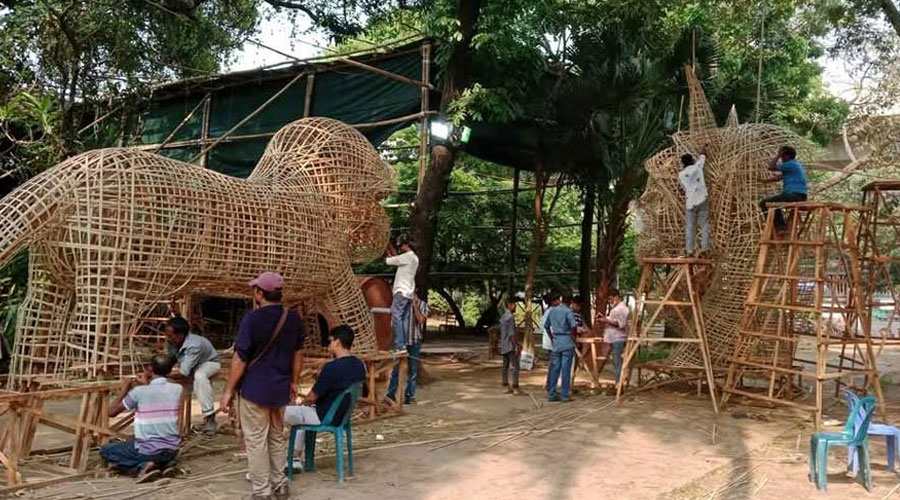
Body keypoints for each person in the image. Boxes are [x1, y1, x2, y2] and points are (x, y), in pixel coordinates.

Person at [218, 271, 305, 500]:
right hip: (281, 389)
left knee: (256, 441)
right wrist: (295, 381)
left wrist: (227, 390)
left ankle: (261, 492)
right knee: (277, 437)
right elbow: (298, 353)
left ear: (260, 293)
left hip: (255, 390)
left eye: (255, 289)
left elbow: (240, 358)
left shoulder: (252, 319)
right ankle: (280, 485)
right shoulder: (293, 317)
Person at [283, 325, 366, 459]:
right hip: (343, 415)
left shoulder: (331, 368)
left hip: (324, 415)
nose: (328, 345)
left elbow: (311, 398)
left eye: (330, 341)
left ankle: (284, 456)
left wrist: (301, 404)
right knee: (302, 414)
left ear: (337, 342)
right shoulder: (359, 365)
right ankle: (295, 456)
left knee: (281, 412)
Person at [102, 355, 183, 483]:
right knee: (157, 452)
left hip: (148, 450)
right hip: (172, 449)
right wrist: (146, 384)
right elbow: (156, 394)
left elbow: (111, 412)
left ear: (150, 369)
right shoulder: (177, 389)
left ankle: (143, 466)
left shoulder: (139, 392)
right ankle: (165, 465)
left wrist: (125, 388)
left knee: (106, 450)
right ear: (170, 370)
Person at [164, 316, 220, 434]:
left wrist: (162, 373)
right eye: (167, 334)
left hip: (209, 363)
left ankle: (210, 417)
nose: (168, 338)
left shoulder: (194, 344)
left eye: (171, 336)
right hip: (190, 367)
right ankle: (166, 422)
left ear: (181, 335)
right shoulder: (172, 341)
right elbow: (170, 359)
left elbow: (184, 372)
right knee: (166, 385)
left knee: (200, 376)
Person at [386, 293, 429, 404]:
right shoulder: (400, 304)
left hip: (414, 341)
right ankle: (390, 395)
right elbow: (393, 323)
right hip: (402, 342)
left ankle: (409, 396)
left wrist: (415, 306)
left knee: (412, 370)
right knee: (396, 369)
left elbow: (421, 320)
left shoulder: (423, 304)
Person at [759, 145, 808, 236]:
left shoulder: (789, 164)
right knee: (774, 202)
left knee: (764, 203)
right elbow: (778, 178)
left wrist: (778, 155)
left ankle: (780, 227)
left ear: (787, 156)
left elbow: (771, 167)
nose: (781, 159)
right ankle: (780, 227)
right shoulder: (794, 165)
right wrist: (763, 181)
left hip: (794, 195)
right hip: (799, 196)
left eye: (782, 156)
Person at [385, 237, 419, 353]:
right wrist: (391, 252)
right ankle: (403, 345)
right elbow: (396, 259)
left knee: (396, 315)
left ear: (407, 245)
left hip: (401, 291)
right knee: (403, 318)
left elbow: (388, 261)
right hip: (408, 293)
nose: (400, 247)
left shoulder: (407, 257)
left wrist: (386, 250)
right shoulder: (414, 258)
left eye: (402, 245)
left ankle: (399, 345)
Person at [544, 292, 577, 402]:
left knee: (555, 369)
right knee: (565, 370)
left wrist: (552, 337)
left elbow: (546, 326)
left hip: (556, 342)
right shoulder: (568, 311)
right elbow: (573, 326)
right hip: (567, 341)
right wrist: (573, 337)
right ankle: (564, 395)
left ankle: (552, 393)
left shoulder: (552, 311)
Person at [596, 288, 629, 386]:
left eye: (611, 299)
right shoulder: (616, 308)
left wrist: (606, 321)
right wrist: (604, 318)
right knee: (615, 362)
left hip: (618, 338)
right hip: (612, 338)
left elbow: (620, 324)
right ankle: (617, 382)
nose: (610, 301)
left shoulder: (622, 309)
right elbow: (613, 320)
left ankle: (618, 384)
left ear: (616, 297)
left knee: (617, 362)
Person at [678, 152, 710, 256]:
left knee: (690, 227)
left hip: (690, 202)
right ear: (692, 160)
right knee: (704, 224)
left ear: (682, 164)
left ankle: (689, 250)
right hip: (702, 199)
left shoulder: (681, 175)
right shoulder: (698, 167)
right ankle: (705, 248)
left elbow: (682, 188)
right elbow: (703, 157)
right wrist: (703, 150)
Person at [499, 298, 520, 394]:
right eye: (514, 304)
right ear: (510, 305)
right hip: (510, 345)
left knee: (505, 366)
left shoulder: (503, 317)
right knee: (515, 366)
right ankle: (515, 387)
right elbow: (511, 334)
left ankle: (505, 385)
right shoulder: (510, 317)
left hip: (503, 344)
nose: (515, 306)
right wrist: (516, 345)